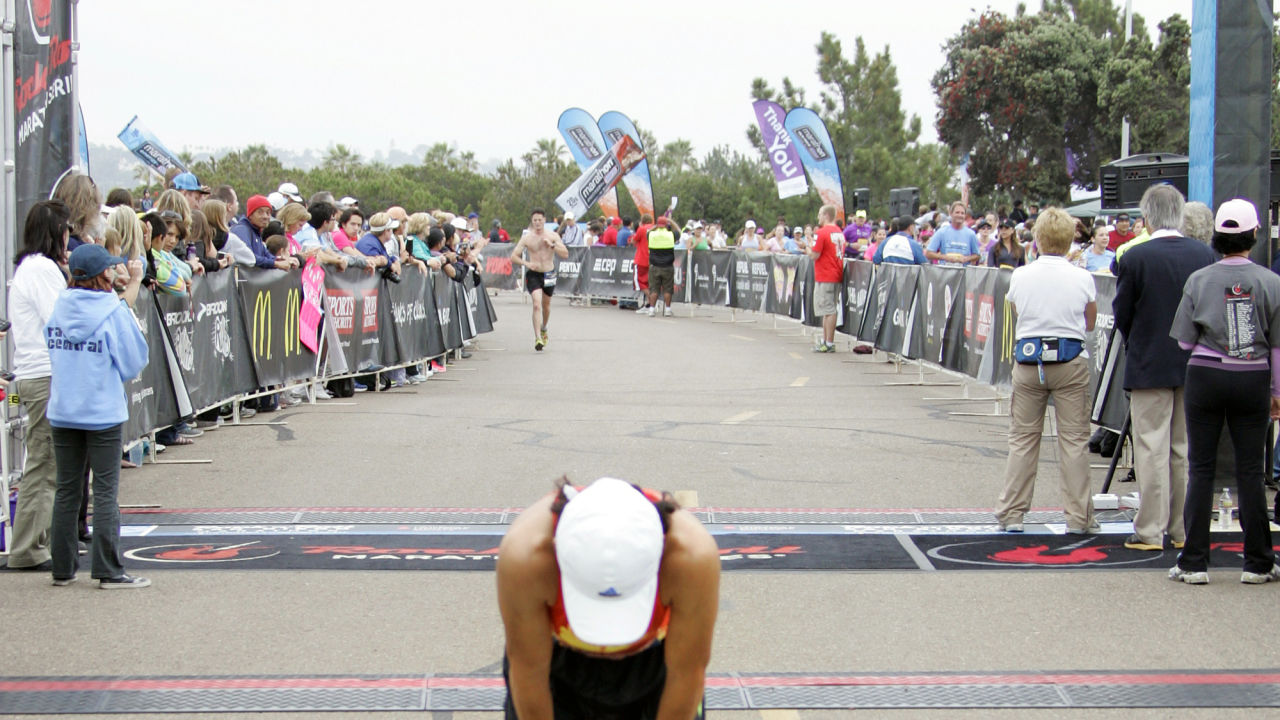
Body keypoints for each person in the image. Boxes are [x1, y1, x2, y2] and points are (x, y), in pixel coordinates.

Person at [497, 477, 719, 720]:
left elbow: (685, 674)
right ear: (557, 550)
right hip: (558, 667)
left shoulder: (691, 558)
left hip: (654, 666)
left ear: (661, 553)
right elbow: (529, 672)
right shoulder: (526, 558)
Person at [1166, 199, 1280, 584]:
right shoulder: (1271, 282)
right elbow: (1278, 346)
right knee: (1250, 470)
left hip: (1206, 374)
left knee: (1200, 466)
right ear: (1254, 236)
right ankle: (1258, 562)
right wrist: (1277, 391)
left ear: (1217, 237)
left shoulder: (1199, 280)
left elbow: (1183, 342)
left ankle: (1193, 561)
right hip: (1253, 376)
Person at [1112, 184, 1216, 551]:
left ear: (1147, 218)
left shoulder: (1136, 258)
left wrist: (1136, 342)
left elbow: (1122, 313)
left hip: (1149, 362)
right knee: (1182, 449)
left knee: (1151, 447)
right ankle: (1182, 526)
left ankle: (1150, 529)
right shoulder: (1204, 255)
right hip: (1195, 362)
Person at [47, 244, 150, 588]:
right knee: (105, 491)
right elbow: (134, 359)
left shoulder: (59, 306)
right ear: (100, 274)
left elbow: (50, 342)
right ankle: (108, 569)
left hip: (63, 409)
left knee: (67, 489)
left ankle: (62, 567)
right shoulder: (112, 310)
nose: (113, 272)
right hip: (102, 410)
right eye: (108, 269)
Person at [995, 208, 1098, 534]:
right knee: (1074, 441)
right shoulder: (1083, 277)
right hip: (1069, 361)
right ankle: (1079, 517)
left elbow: (1015, 311)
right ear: (1070, 241)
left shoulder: (1021, 275)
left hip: (1029, 361)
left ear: (1037, 239)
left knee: (1023, 439)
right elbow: (1090, 321)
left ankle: (1012, 513)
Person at [4, 201, 72, 571]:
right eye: (65, 231)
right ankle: (28, 546)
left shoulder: (29, 269)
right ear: (56, 232)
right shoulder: (42, 270)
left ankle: (33, 541)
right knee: (44, 464)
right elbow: (59, 320)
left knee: (45, 462)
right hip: (44, 374)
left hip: (36, 373)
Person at [510, 208, 568, 350]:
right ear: (532, 221)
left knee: (546, 306)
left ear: (544, 220)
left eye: (539, 220)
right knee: (536, 304)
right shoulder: (527, 238)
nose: (537, 223)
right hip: (534, 273)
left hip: (549, 273)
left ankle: (544, 328)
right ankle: (537, 338)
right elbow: (514, 256)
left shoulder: (553, 236)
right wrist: (527, 263)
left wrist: (552, 246)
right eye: (534, 220)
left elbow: (565, 253)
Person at [809, 204, 844, 353]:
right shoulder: (839, 232)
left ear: (825, 215)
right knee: (827, 308)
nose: (818, 217)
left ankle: (829, 342)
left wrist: (808, 247)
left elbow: (815, 255)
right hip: (836, 272)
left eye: (820, 214)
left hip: (826, 274)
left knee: (828, 309)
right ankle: (825, 340)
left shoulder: (823, 233)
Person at [646, 217, 678, 317]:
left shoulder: (651, 234)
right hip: (668, 266)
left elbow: (648, 232)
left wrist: (655, 226)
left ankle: (651, 310)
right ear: (666, 225)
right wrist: (671, 221)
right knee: (668, 289)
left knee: (654, 289)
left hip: (654, 266)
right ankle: (668, 309)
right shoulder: (671, 235)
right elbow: (678, 230)